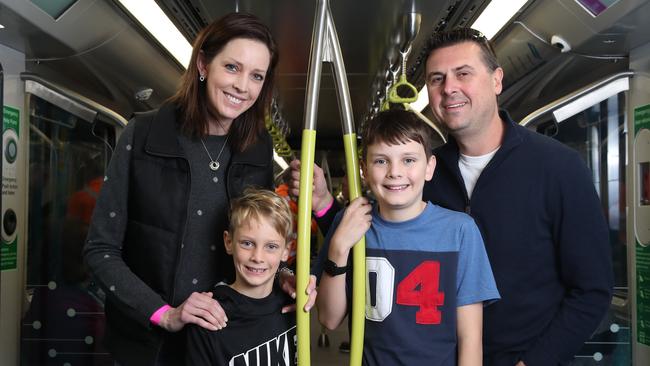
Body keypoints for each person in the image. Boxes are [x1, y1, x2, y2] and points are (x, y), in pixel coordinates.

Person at [297, 28, 613, 366]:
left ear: (496, 80)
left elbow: (591, 292)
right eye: (436, 79)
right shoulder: (419, 174)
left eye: (463, 73)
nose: (449, 88)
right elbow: (374, 237)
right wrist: (323, 206)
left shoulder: (558, 167)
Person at [84, 13, 314, 366]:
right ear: (204, 64)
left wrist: (283, 275)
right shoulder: (143, 135)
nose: (242, 86)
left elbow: (260, 234)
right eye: (232, 68)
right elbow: (100, 251)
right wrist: (165, 314)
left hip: (224, 340)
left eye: (256, 76)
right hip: (149, 347)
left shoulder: (257, 147)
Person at [316, 109, 500, 365]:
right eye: (381, 161)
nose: (395, 172)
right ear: (364, 170)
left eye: (409, 160)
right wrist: (338, 248)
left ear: (429, 167)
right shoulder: (351, 224)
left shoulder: (460, 231)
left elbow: (470, 338)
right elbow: (329, 319)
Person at [186, 188, 307, 365]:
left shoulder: (292, 304)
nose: (257, 257)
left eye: (271, 246)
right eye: (247, 243)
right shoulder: (209, 319)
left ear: (286, 251)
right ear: (229, 242)